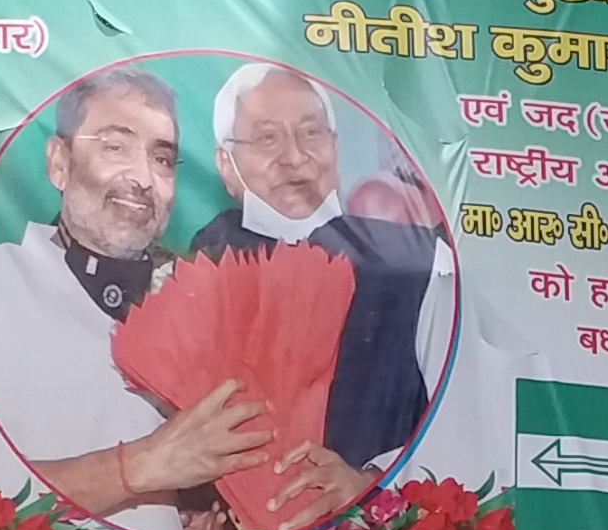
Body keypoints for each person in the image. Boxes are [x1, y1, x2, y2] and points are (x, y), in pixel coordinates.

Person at [0, 67, 322, 530]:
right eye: (114, 147)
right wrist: (141, 466)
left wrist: (219, 523)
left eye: (163, 160)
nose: (143, 178)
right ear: (59, 163)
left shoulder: (208, 300)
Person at [183, 63, 450, 485]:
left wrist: (371, 483)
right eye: (267, 137)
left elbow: (464, 417)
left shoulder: (415, 264)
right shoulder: (198, 266)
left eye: (310, 133)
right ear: (227, 164)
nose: (294, 156)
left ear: (335, 147)